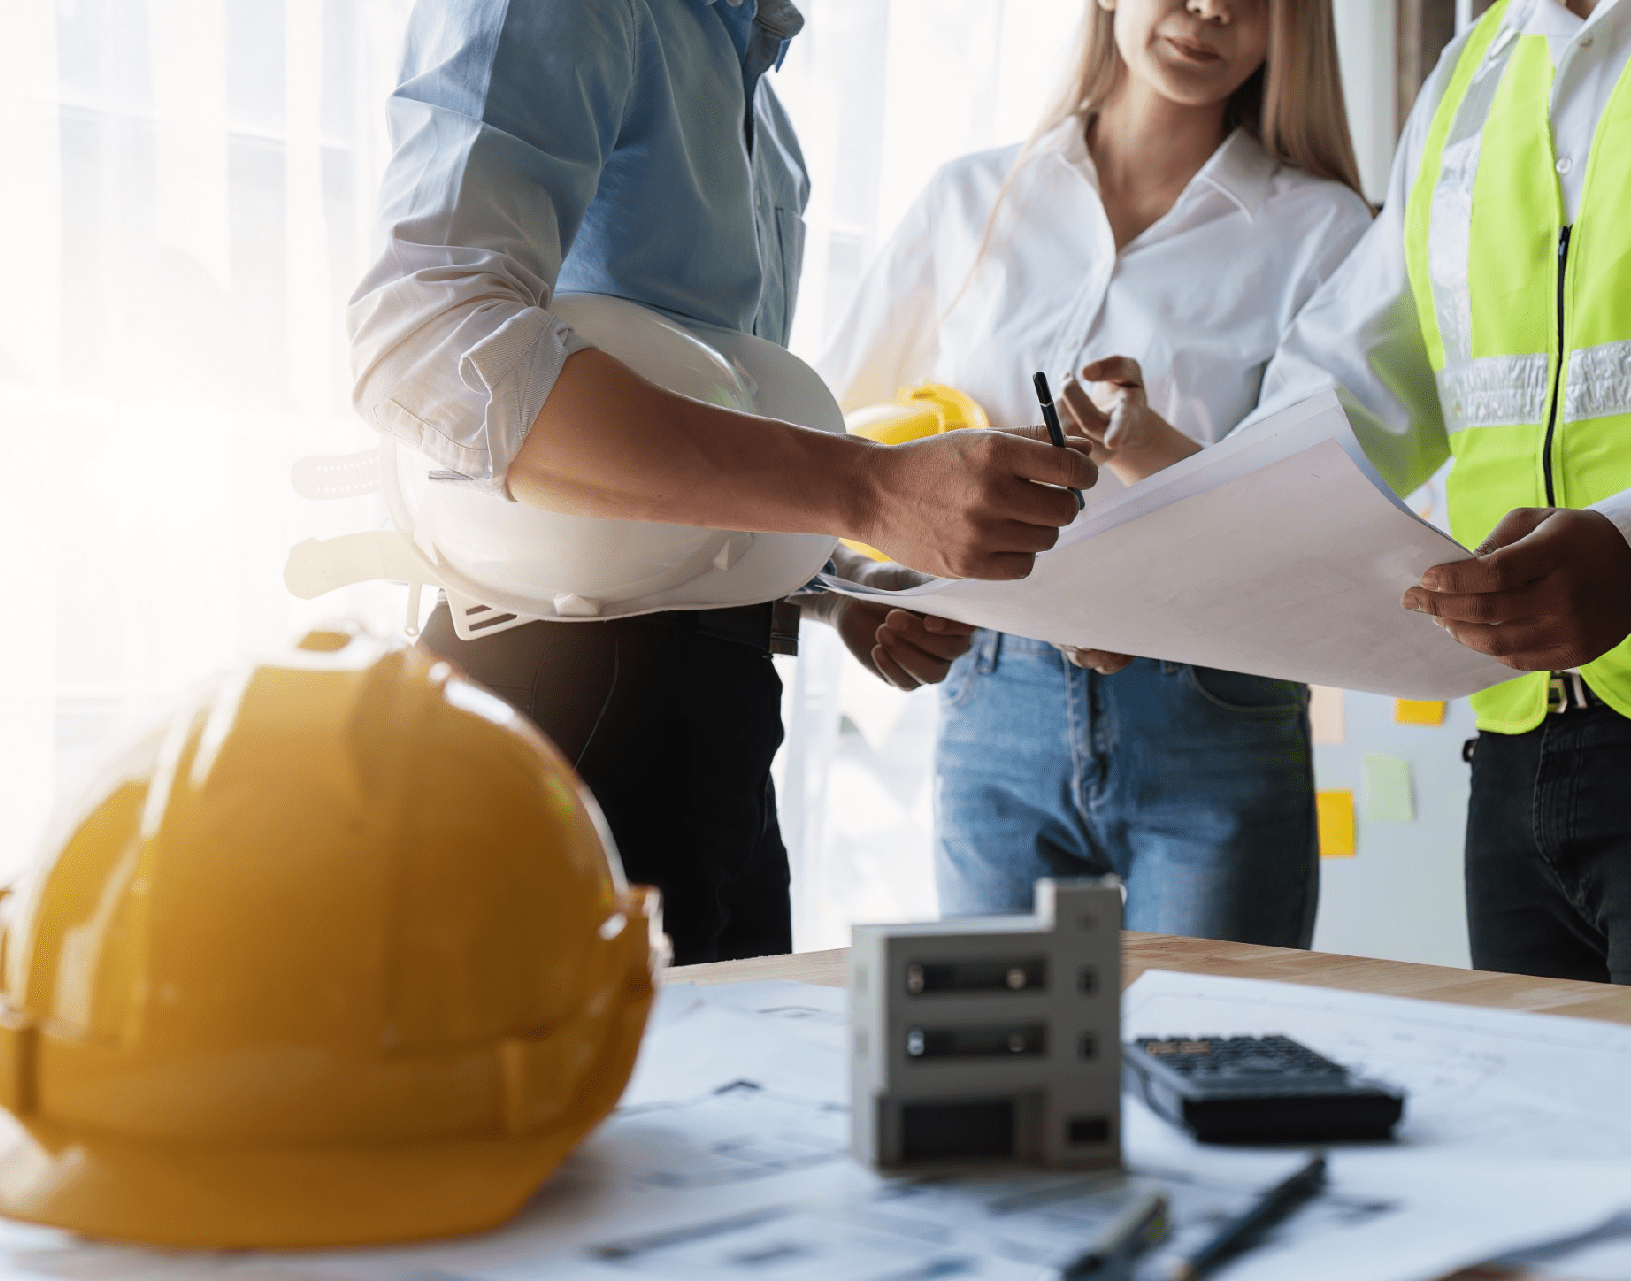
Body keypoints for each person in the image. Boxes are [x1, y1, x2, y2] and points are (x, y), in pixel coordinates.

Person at [1062, 0, 1631, 1009]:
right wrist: (1163, 571)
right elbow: (1345, 391)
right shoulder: (1478, 64)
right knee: (1547, 1161)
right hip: (1522, 755)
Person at [346, 0, 1097, 965]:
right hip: (555, 695)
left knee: (724, 1103)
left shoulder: (762, 102)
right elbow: (427, 336)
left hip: (724, 712)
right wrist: (865, 491)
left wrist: (829, 586)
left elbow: (702, 423)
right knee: (578, 1106)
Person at [814, 0, 1373, 945]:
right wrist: (857, 593)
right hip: (993, 692)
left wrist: (1147, 443)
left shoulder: (1322, 230)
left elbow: (1315, 521)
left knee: (1206, 1058)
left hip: (1214, 699)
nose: (1211, 11)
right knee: (1000, 1062)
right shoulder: (968, 202)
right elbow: (836, 454)